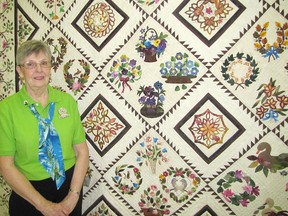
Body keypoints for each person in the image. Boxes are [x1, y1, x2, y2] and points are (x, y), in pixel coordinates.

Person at [0, 40, 89, 216]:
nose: (39, 70)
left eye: (43, 63)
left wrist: (73, 196)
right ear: (20, 71)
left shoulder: (67, 102)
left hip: (69, 189)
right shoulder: (6, 109)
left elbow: (82, 152)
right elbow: (6, 165)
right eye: (30, 64)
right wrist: (43, 206)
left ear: (50, 67)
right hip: (28, 193)